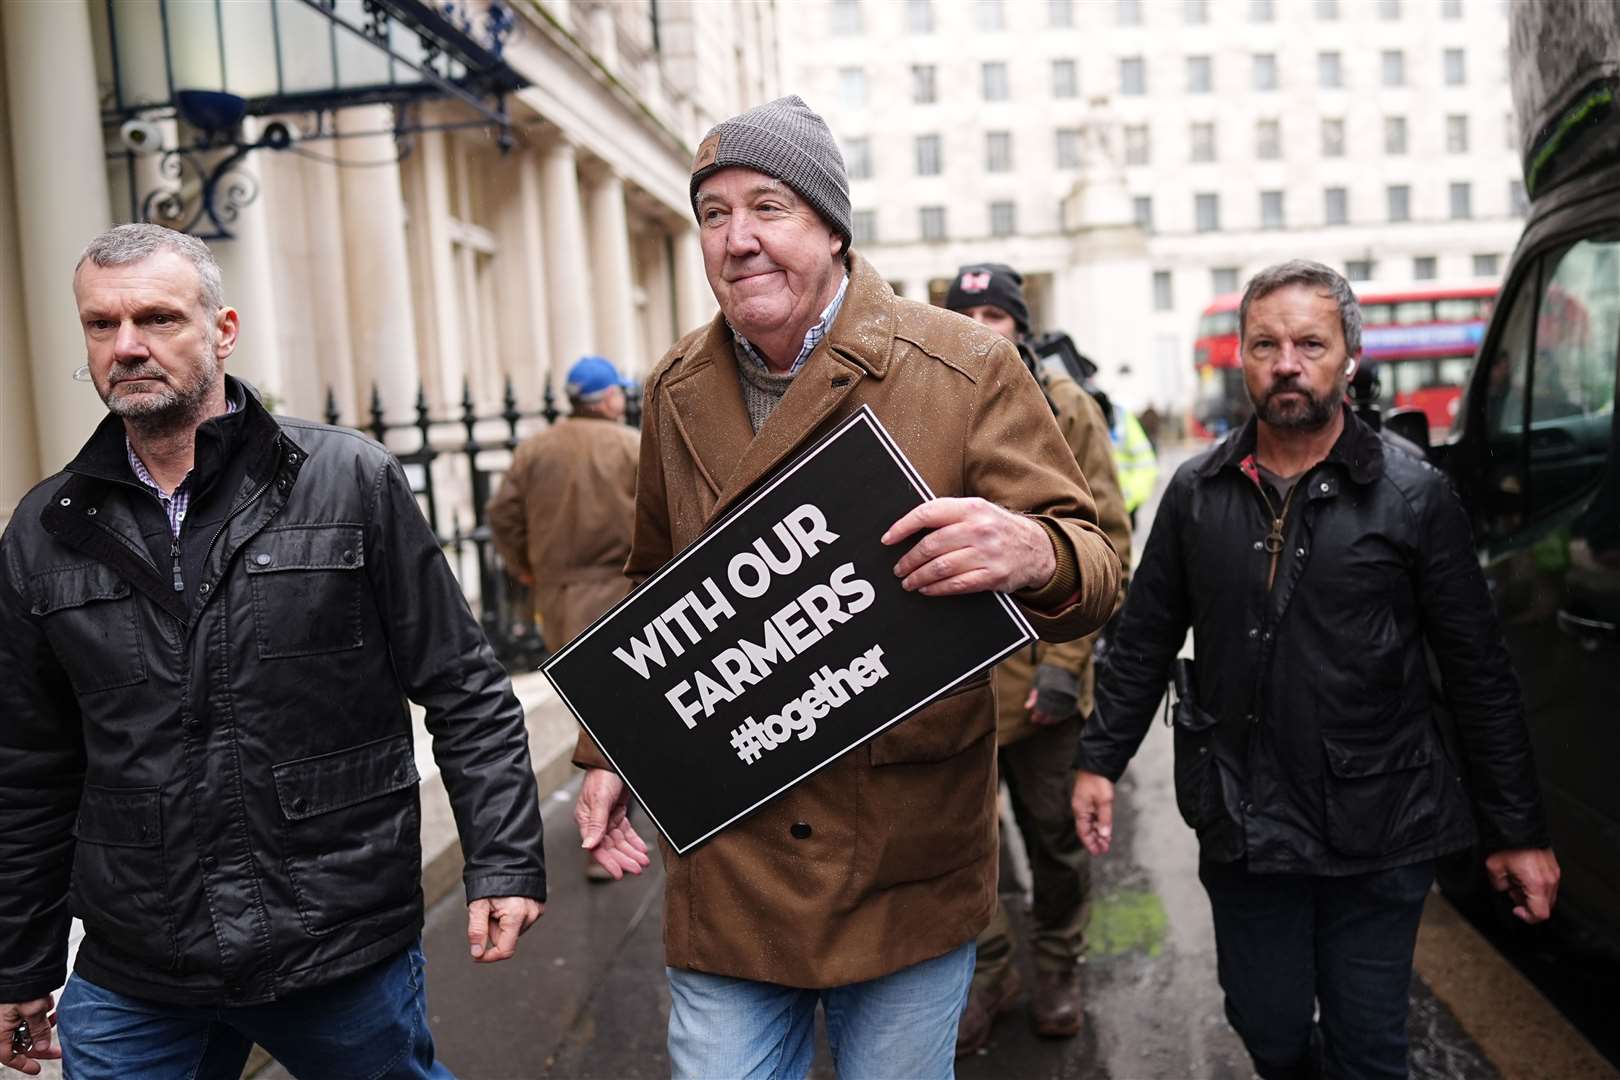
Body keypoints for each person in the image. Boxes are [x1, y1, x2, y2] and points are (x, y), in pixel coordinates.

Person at [571, 95, 1121, 1080]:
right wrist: (615, 746)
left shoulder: (965, 366)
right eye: (713, 214)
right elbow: (653, 581)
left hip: (902, 851)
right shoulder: (671, 390)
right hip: (731, 852)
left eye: (768, 207)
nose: (736, 240)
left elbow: (1097, 564)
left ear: (831, 225)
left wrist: (1034, 553)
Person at [0, 224, 547, 1079]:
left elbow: (464, 686)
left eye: (156, 318)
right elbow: (29, 762)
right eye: (102, 325)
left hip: (334, 941)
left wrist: (505, 859)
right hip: (140, 959)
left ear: (222, 330)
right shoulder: (48, 529)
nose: (128, 346)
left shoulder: (346, 481)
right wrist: (20, 961)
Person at [1071, 260, 1560, 1080]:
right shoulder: (1197, 493)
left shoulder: (1414, 497)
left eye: (1309, 343)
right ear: (1242, 357)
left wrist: (1517, 833)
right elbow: (1145, 638)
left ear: (1349, 359)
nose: (1286, 362)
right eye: (1265, 344)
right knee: (1267, 1027)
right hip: (1244, 822)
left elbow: (1478, 673)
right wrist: (1098, 760)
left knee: (1370, 1049)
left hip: (1381, 826)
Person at [943, 263, 1132, 1052]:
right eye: (968, 313)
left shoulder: (1066, 408)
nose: (984, 326)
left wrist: (1066, 665)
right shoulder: (927, 412)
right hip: (952, 687)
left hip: (1042, 678)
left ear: (1021, 325)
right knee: (958, 846)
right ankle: (990, 971)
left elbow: (1105, 543)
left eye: (998, 312)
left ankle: (1057, 961)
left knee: (1056, 838)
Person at [487, 354, 639, 649]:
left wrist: (525, 565)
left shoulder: (534, 449)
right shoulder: (630, 445)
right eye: (619, 392)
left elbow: (502, 513)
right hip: (618, 590)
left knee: (574, 688)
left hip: (554, 594)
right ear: (608, 399)